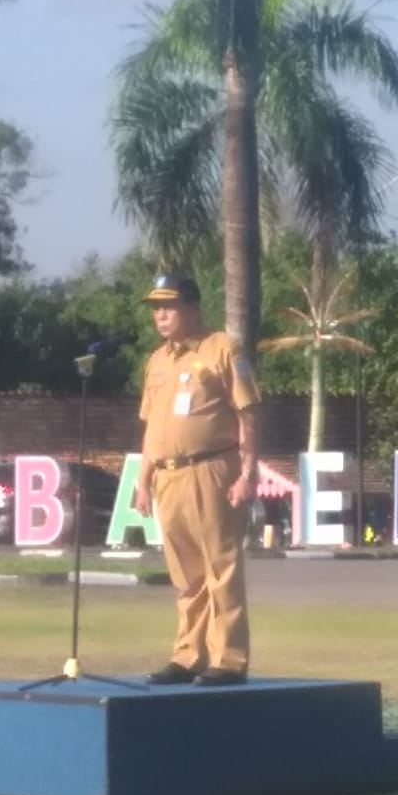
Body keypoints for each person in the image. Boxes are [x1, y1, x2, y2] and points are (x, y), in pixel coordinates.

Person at [134, 273, 260, 687]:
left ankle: (229, 659)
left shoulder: (222, 348)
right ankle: (188, 655)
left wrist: (247, 473)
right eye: (156, 308)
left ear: (193, 308)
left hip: (211, 469)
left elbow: (247, 415)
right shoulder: (157, 360)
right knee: (186, 574)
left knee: (220, 567)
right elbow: (151, 429)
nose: (161, 315)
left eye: (169, 307)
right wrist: (142, 480)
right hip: (168, 476)